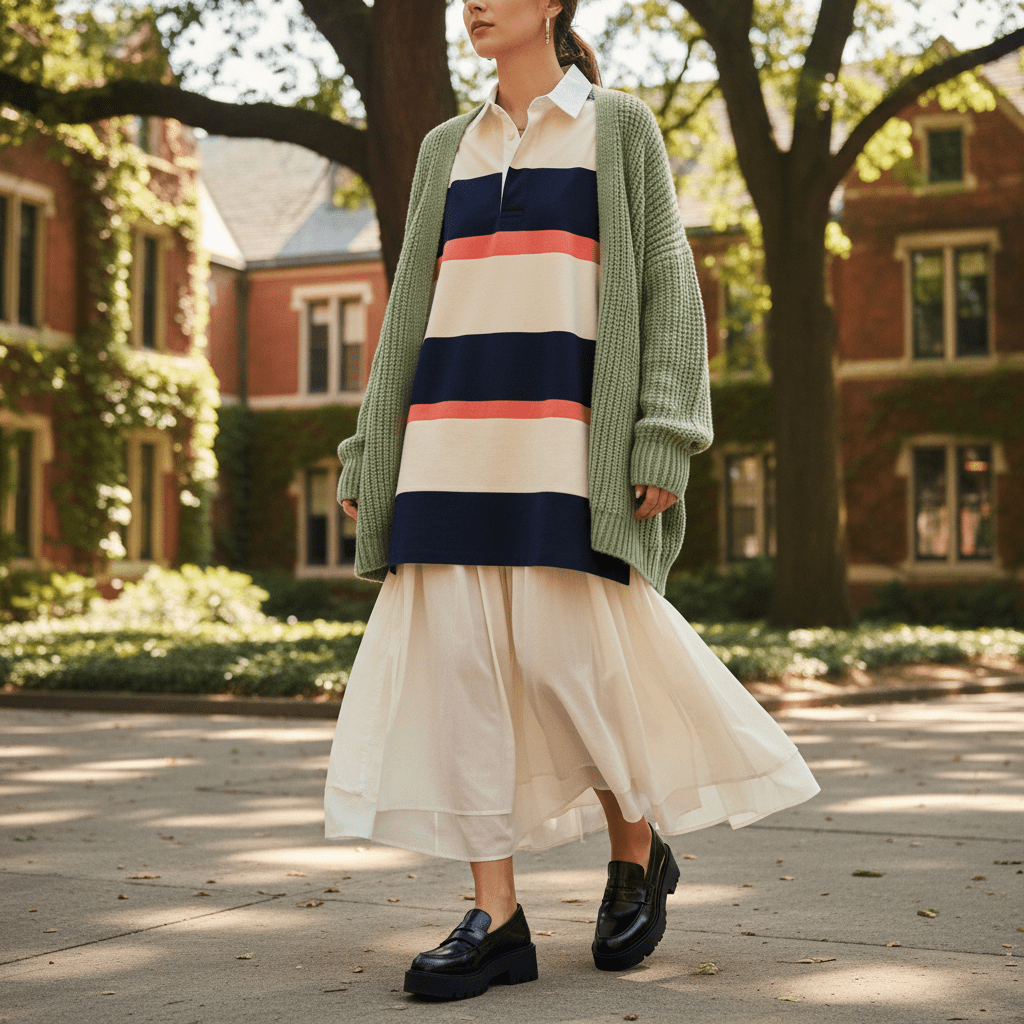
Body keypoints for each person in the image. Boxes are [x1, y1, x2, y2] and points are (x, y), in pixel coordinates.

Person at [324, 0, 821, 1002]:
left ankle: (636, 850)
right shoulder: (445, 148)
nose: (473, 4)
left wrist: (664, 432)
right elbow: (410, 306)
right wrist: (372, 449)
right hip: (447, 443)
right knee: (462, 678)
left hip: (562, 442)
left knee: (570, 664)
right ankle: (495, 916)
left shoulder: (617, 125)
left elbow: (668, 287)